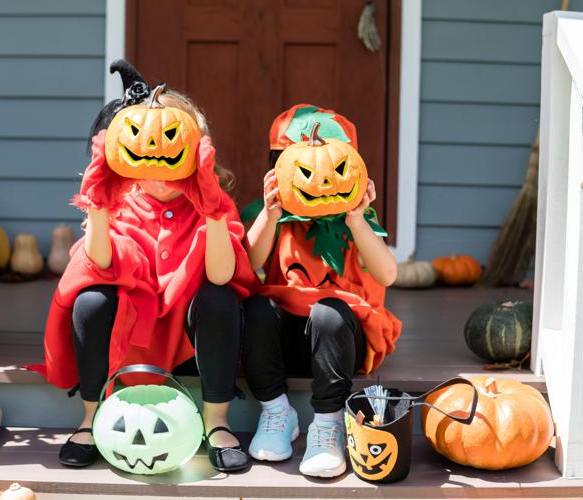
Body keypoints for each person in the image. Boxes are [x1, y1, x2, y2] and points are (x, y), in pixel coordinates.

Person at [29, 61, 259, 472]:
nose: (158, 162)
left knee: (220, 298)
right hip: (129, 339)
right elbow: (98, 264)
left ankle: (217, 421)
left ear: (195, 151)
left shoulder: (212, 205)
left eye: (172, 145)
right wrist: (98, 204)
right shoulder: (122, 201)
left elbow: (223, 274)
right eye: (145, 149)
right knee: (91, 300)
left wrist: (211, 209)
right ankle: (90, 416)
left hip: (189, 342)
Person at [242, 104, 402, 478]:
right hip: (287, 342)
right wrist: (269, 214)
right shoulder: (276, 220)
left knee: (328, 312)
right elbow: (249, 264)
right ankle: (276, 411)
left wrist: (357, 218)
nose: (320, 179)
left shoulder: (358, 223)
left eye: (336, 169)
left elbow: (387, 273)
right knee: (255, 309)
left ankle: (327, 424)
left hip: (339, 339)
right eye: (302, 167)